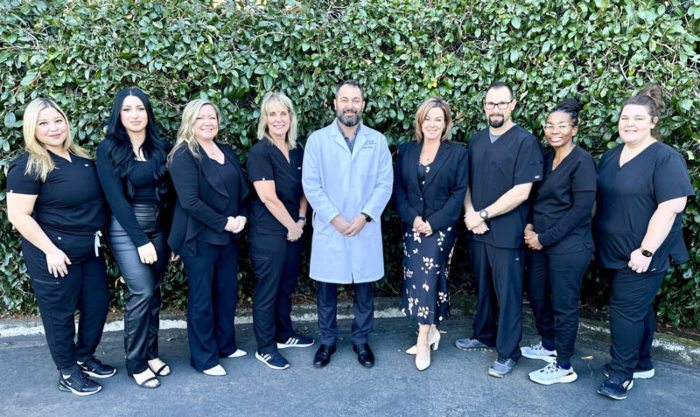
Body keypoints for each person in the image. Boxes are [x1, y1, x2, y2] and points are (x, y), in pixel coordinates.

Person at [6, 98, 115, 395]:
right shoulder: (27, 166)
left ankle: (84, 356)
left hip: (88, 250)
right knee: (60, 314)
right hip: (53, 255)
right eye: (43, 123)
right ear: (32, 129)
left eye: (57, 120)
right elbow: (18, 215)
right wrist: (51, 250)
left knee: (97, 306)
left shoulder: (80, 159)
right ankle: (68, 372)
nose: (53, 128)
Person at [594, 86, 693, 400]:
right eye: (625, 118)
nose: (630, 123)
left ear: (653, 122)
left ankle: (621, 375)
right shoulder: (612, 156)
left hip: (643, 254)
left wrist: (647, 249)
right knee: (637, 309)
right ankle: (642, 362)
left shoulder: (665, 158)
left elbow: (671, 206)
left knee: (625, 312)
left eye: (638, 118)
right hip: (612, 251)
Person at [302, 80, 393, 368]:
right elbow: (311, 185)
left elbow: (384, 183)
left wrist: (365, 215)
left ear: (363, 105)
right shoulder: (317, 140)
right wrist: (336, 218)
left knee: (364, 290)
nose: (350, 105)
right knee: (326, 290)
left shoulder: (376, 141)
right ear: (335, 104)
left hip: (364, 226)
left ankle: (361, 341)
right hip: (331, 227)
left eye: (355, 100)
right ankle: (327, 342)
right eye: (345, 100)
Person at [457, 81, 544, 378]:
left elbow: (522, 191)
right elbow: (466, 183)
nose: (495, 109)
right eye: (490, 104)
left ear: (513, 105)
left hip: (507, 234)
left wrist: (483, 213)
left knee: (508, 295)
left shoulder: (525, 142)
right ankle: (483, 334)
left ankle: (508, 352)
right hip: (477, 231)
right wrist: (470, 213)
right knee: (483, 289)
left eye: (501, 103)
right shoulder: (477, 140)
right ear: (484, 107)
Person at [96, 87, 172, 388]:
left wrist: (171, 239)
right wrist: (141, 241)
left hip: (159, 229)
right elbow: (115, 200)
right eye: (127, 109)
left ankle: (152, 353)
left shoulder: (160, 148)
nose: (135, 115)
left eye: (140, 108)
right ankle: (136, 362)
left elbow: (171, 197)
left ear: (148, 112)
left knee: (153, 293)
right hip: (127, 229)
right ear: (119, 114)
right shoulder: (108, 149)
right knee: (140, 292)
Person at [168, 99, 249, 376]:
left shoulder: (226, 150)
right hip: (199, 236)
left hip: (229, 234)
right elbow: (190, 202)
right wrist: (224, 222)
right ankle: (204, 358)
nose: (207, 122)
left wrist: (241, 217)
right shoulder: (183, 155)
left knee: (226, 292)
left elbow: (242, 190)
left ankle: (225, 345)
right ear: (190, 121)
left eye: (212, 117)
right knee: (202, 298)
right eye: (200, 118)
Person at [520, 99, 596, 385]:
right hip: (540, 240)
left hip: (569, 245)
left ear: (574, 129)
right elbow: (535, 197)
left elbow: (581, 210)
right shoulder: (545, 157)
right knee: (537, 293)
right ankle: (549, 345)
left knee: (564, 304)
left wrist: (544, 238)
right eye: (550, 125)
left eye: (562, 126)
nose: (554, 131)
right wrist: (530, 226)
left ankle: (564, 365)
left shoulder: (583, 161)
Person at [394, 97, 468, 371]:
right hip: (412, 227)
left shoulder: (458, 154)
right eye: (428, 118)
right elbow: (399, 189)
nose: (432, 124)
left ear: (446, 122)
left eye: (439, 118)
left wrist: (432, 222)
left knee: (429, 275)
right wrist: (413, 218)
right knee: (418, 279)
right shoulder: (406, 151)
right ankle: (432, 329)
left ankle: (423, 337)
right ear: (420, 121)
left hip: (441, 228)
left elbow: (459, 193)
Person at [247, 92, 314, 370]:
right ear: (265, 119)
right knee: (268, 289)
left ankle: (284, 334)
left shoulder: (297, 151)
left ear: (290, 117)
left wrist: (300, 220)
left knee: (286, 286)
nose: (278, 119)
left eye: (283, 113)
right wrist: (291, 226)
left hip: (294, 229)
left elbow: (306, 188)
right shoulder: (260, 152)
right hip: (268, 232)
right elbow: (268, 197)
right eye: (272, 114)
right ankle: (265, 347)